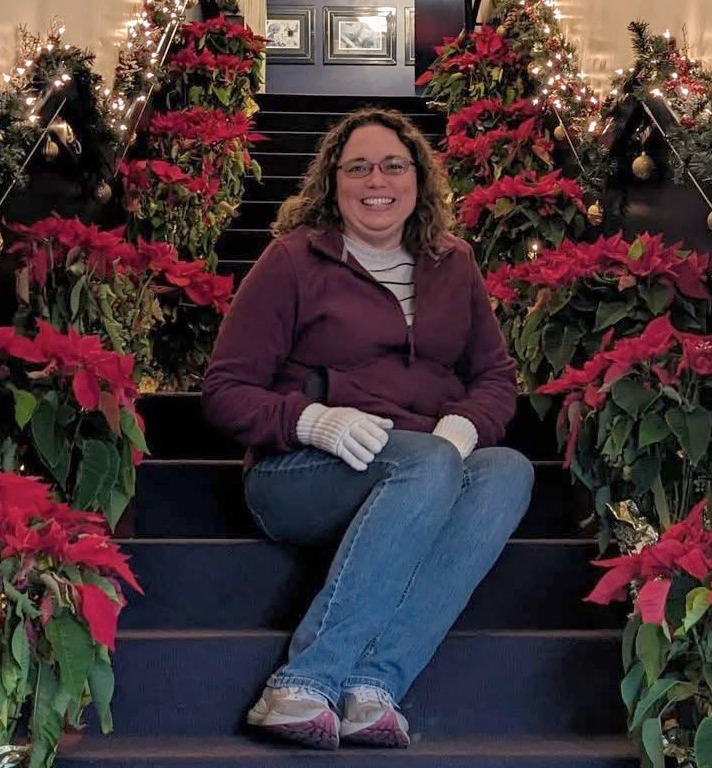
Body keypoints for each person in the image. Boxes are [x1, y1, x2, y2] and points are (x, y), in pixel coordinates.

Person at [201, 107, 535, 750]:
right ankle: (301, 682)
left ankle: (372, 684)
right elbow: (225, 390)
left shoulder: (454, 262)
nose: (375, 179)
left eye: (392, 165)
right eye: (357, 167)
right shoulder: (292, 260)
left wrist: (465, 427)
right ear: (333, 182)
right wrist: (313, 420)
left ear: (418, 179)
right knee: (429, 463)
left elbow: (496, 376)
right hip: (299, 476)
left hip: (425, 463)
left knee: (508, 470)